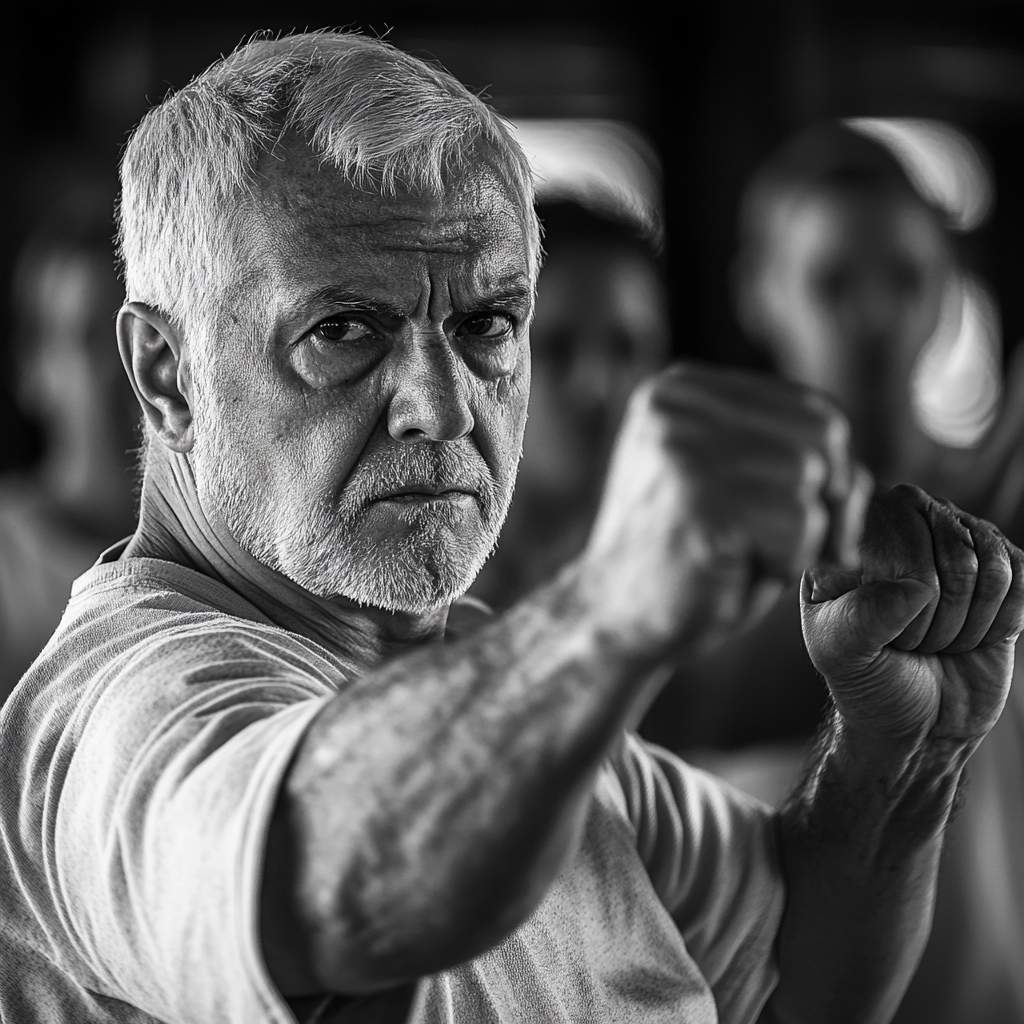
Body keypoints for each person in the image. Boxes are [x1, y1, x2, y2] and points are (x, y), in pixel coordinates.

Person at [1, 33, 1022, 1024]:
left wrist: (899, 752)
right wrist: (608, 612)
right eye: (343, 331)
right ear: (166, 375)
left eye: (486, 324)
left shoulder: (521, 706)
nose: (441, 408)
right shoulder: (120, 717)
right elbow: (323, 883)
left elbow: (798, 980)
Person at [0, 189, 139, 705]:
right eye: (88, 337)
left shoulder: (229, 553)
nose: (121, 366)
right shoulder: (8, 566)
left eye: (138, 333)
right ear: (31, 372)